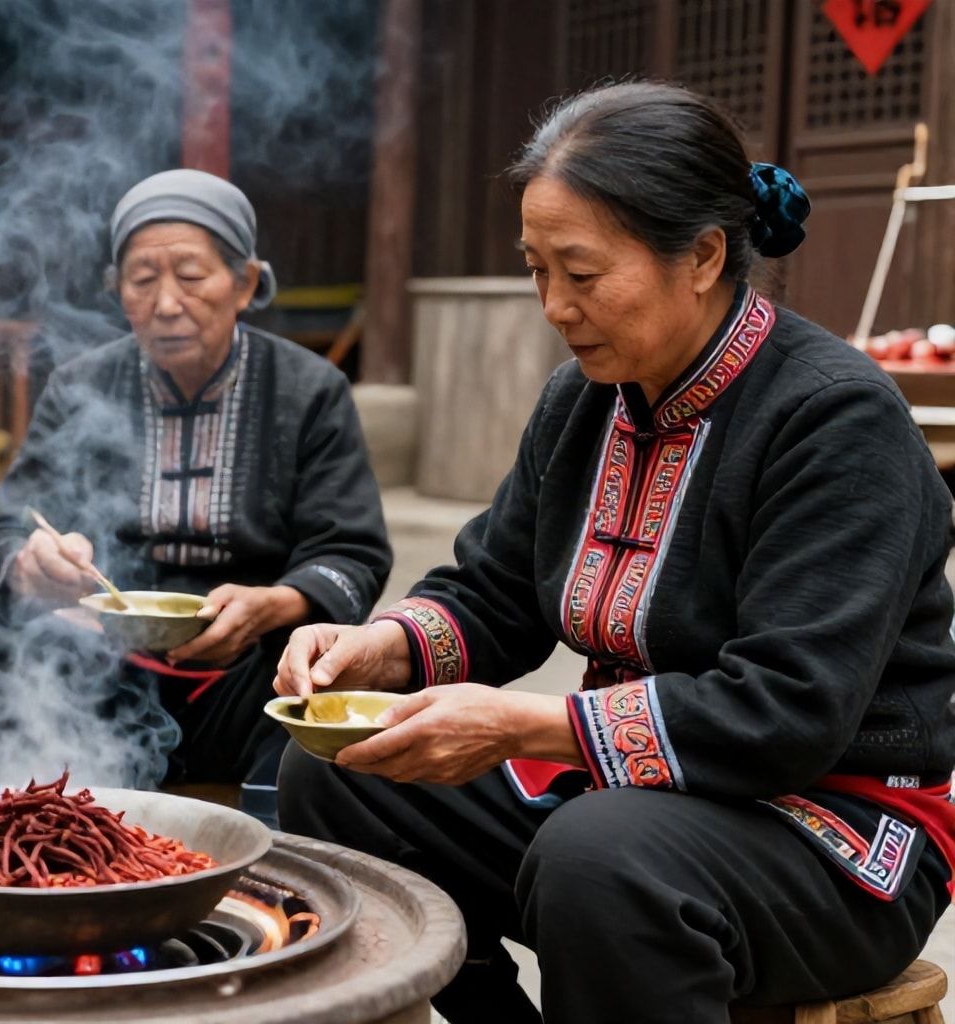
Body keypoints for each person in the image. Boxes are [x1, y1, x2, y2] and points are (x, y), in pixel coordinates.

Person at [274, 81, 955, 1023]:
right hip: (623, 797)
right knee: (340, 773)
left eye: (582, 274)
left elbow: (790, 710)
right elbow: (496, 591)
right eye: (537, 267)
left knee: (599, 855)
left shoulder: (835, 419)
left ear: (704, 256)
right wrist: (379, 647)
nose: (555, 304)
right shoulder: (582, 400)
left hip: (834, 833)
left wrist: (517, 726)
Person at [0, 169, 392, 825]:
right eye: (143, 279)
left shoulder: (308, 389)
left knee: (352, 670)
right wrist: (32, 564)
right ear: (118, 291)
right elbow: (2, 533)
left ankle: (279, 852)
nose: (167, 302)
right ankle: (58, 836)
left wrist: (276, 604)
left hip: (251, 673)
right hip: (109, 666)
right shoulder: (80, 385)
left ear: (244, 283)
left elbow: (351, 553)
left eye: (191, 274)